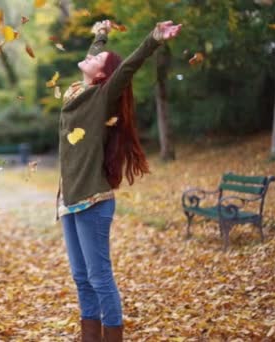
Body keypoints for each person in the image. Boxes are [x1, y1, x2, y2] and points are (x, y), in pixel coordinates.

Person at [56, 20, 182, 342]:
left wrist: (154, 39)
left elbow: (126, 67)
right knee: (81, 278)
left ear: (102, 76)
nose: (92, 56)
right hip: (69, 201)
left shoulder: (101, 97)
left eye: (99, 57)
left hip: (93, 202)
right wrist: (100, 35)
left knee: (99, 279)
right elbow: (96, 58)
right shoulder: (77, 94)